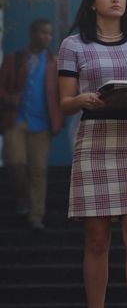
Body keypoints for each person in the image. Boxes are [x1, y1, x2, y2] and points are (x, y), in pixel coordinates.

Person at [57, 0, 127, 308]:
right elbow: (65, 102)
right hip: (94, 139)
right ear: (92, 2)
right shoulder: (73, 45)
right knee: (97, 240)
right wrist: (83, 99)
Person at [0, 19, 64, 230]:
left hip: (42, 122)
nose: (46, 37)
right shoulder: (14, 59)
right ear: (32, 33)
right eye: (42, 32)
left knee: (38, 169)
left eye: (49, 33)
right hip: (16, 119)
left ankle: (36, 213)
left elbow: (61, 93)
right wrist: (8, 98)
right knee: (16, 162)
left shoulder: (55, 62)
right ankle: (23, 197)